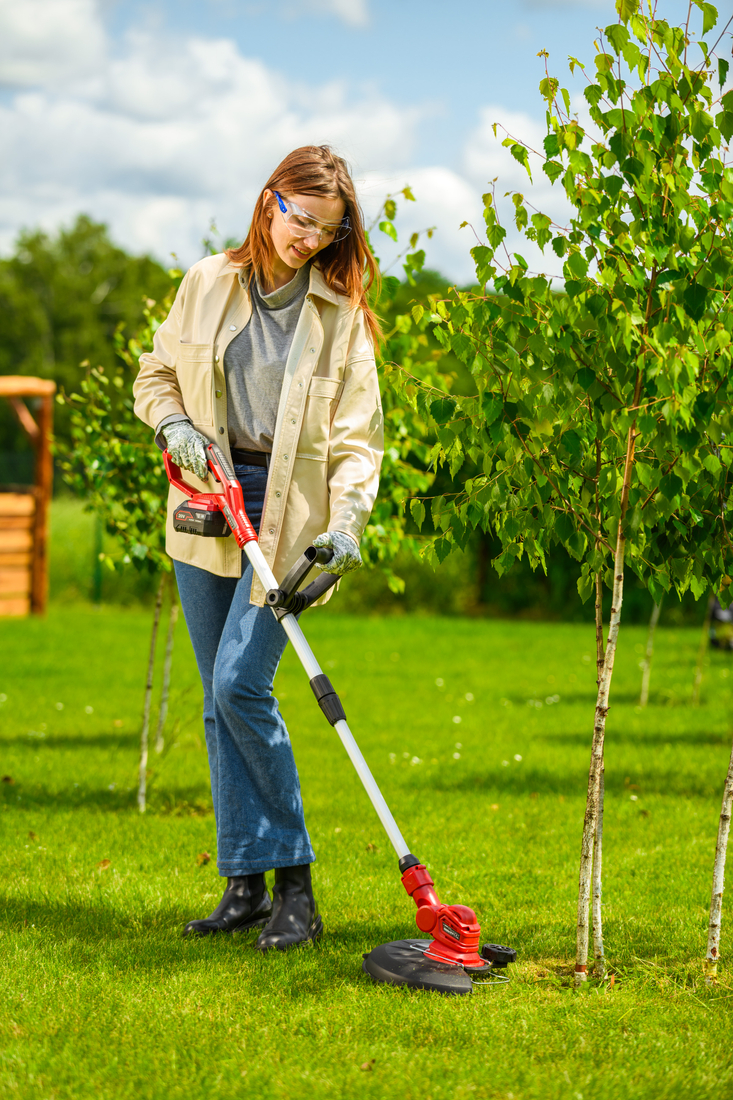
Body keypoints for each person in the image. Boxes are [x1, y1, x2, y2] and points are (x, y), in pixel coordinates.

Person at [133, 145, 383, 950]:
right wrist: (171, 422)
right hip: (206, 504)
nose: (308, 238)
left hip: (288, 520)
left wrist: (344, 525)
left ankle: (296, 884)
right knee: (215, 699)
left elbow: (357, 440)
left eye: (327, 230)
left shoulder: (340, 315)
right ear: (270, 199)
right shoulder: (208, 281)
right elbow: (156, 374)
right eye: (301, 219)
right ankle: (244, 882)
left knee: (242, 684)